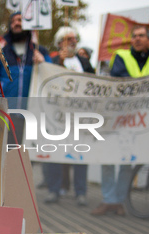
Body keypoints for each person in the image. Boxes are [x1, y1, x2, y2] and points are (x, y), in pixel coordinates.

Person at [91, 25, 149, 216]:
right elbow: (121, 79)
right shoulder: (121, 56)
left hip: (139, 120)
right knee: (108, 158)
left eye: (141, 36)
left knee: (127, 160)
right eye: (134, 36)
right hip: (116, 115)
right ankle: (108, 199)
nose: (137, 39)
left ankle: (118, 201)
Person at [44, 27, 95, 205]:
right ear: (59, 43)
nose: (73, 41)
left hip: (80, 116)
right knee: (55, 153)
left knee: (81, 154)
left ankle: (80, 192)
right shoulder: (51, 60)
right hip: (57, 116)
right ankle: (53, 190)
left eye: (74, 38)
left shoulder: (84, 62)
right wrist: (60, 62)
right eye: (68, 38)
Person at [0, 11, 51, 144]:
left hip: (32, 117)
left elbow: (52, 79)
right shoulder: (1, 53)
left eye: (20, 20)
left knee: (26, 161)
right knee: (1, 159)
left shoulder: (40, 52)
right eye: (13, 21)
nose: (16, 24)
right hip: (4, 117)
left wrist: (43, 63)